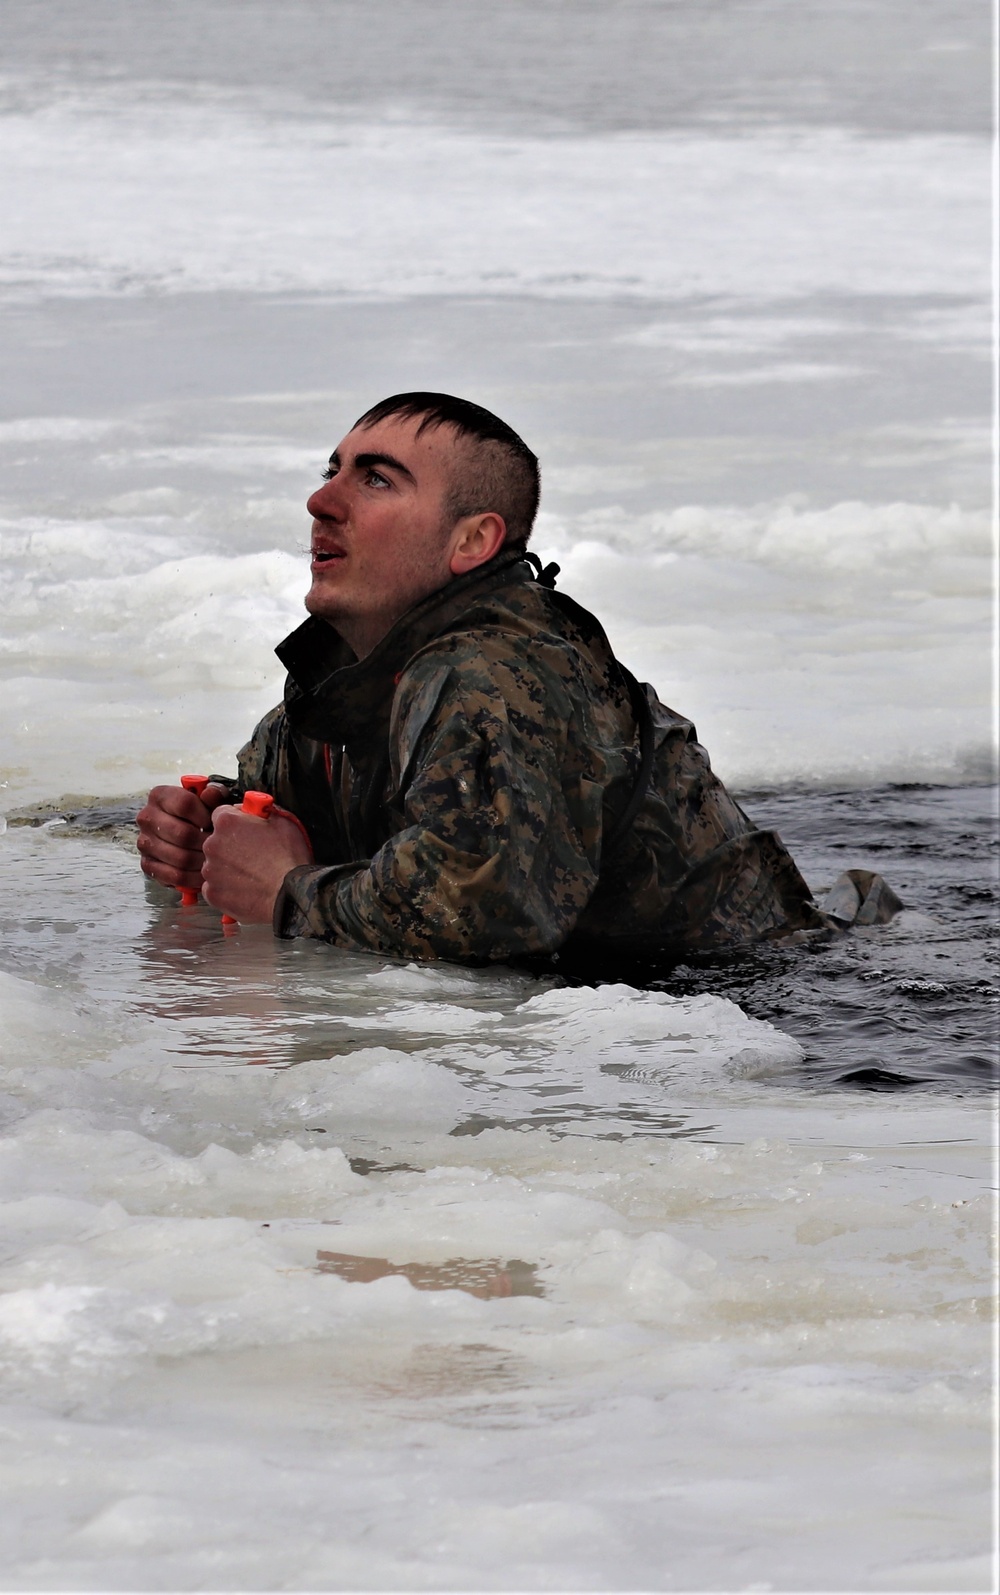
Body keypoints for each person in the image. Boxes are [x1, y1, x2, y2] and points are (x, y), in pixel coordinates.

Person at [136, 392, 837, 970]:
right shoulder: (352, 677)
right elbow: (282, 801)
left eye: (376, 479)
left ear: (472, 542)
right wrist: (208, 827)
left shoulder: (497, 677)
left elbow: (481, 910)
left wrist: (287, 894)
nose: (322, 501)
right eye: (333, 470)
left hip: (756, 1005)